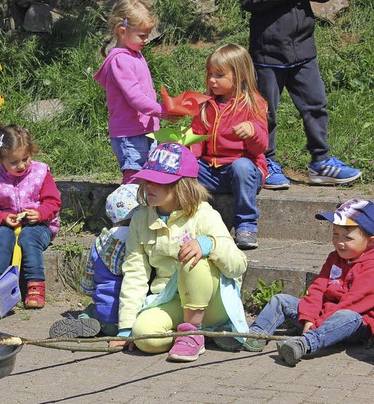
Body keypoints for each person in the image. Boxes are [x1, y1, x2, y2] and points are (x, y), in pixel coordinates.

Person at [113, 142, 248, 362]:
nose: (149, 186)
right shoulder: (141, 218)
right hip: (171, 299)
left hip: (212, 301)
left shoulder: (204, 214)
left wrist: (210, 244)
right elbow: (136, 273)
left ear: (182, 185)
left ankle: (193, 333)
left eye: (158, 181)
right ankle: (197, 334)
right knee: (144, 339)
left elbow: (239, 265)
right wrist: (126, 327)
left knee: (191, 256)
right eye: (147, 179)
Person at [240, 0, 361, 190]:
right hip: (268, 52)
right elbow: (249, 3)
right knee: (264, 112)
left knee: (316, 104)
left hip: (303, 48)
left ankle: (320, 162)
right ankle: (265, 162)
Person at [244, 199, 374, 366]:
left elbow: (352, 304)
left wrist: (315, 326)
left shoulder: (371, 266)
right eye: (335, 234)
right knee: (281, 300)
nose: (339, 242)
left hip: (353, 324)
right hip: (320, 318)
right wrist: (308, 318)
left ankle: (304, 344)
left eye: (347, 237)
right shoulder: (334, 257)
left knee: (347, 316)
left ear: (370, 242)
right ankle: (255, 335)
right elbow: (317, 289)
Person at [190, 44, 268, 250]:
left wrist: (252, 131)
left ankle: (246, 224)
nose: (212, 80)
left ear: (240, 75)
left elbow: (261, 147)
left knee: (241, 166)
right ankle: (188, 220)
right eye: (210, 74)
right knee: (186, 167)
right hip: (211, 170)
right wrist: (186, 155)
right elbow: (197, 139)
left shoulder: (254, 104)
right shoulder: (205, 105)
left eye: (219, 75)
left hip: (242, 172)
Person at [93, 0, 178, 185]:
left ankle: (144, 211)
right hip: (129, 133)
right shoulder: (120, 60)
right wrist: (162, 111)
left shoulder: (135, 54)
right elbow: (135, 97)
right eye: (142, 35)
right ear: (122, 32)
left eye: (147, 35)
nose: (146, 40)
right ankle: (130, 211)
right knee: (134, 177)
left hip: (144, 128)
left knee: (148, 174)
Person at [0, 121, 62, 309]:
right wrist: (2, 218)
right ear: (0, 160)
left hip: (41, 225)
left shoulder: (40, 173)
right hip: (7, 224)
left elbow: (53, 202)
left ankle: (35, 285)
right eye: (14, 162)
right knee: (2, 238)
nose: (21, 165)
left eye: (25, 159)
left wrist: (40, 213)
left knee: (28, 237)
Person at [50, 183, 140, 338]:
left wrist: (87, 290)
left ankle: (86, 320)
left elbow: (88, 278)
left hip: (103, 311)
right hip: (129, 319)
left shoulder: (100, 241)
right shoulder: (138, 241)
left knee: (91, 309)